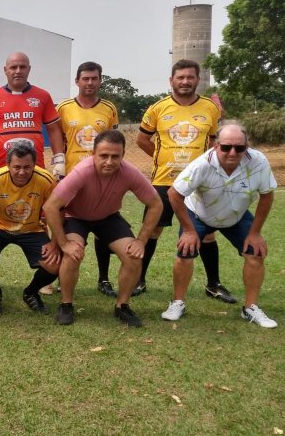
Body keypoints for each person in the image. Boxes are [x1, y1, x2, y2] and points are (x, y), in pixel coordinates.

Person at [162, 123, 278, 328]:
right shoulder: (202, 164)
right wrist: (189, 230)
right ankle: (178, 302)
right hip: (199, 214)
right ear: (216, 145)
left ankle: (250, 307)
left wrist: (256, 233)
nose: (232, 152)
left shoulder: (258, 161)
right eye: (226, 147)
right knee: (185, 252)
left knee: (256, 253)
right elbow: (174, 194)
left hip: (236, 215)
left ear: (247, 147)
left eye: (239, 148)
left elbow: (267, 196)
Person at [43, 130, 163, 327]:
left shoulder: (130, 173)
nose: (109, 161)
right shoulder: (81, 172)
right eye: (103, 156)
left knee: (133, 256)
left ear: (123, 155)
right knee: (73, 254)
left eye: (115, 156)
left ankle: (122, 305)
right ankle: (66, 304)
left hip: (108, 217)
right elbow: (51, 206)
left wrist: (141, 240)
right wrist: (63, 243)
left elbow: (156, 204)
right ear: (93, 154)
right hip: (76, 217)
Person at [135, 60, 229, 301]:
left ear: (197, 80)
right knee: (152, 230)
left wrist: (201, 166)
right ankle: (138, 279)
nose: (185, 81)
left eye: (190, 77)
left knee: (206, 234)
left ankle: (213, 284)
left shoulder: (210, 108)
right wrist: (160, 157)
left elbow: (213, 142)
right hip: (164, 181)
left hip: (200, 185)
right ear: (171, 81)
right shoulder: (157, 108)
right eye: (180, 77)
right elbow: (142, 140)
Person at [56, 61, 119, 297]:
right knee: (68, 226)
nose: (90, 83)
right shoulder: (63, 108)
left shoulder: (109, 108)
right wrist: (59, 166)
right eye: (85, 78)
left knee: (103, 226)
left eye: (94, 78)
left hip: (102, 178)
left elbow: (114, 140)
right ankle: (64, 279)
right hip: (72, 179)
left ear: (100, 80)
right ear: (77, 81)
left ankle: (103, 278)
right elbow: (57, 139)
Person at [0, 142, 61, 315]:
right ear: (8, 165)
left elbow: (58, 210)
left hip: (32, 229)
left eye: (27, 167)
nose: (22, 172)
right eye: (16, 167)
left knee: (55, 264)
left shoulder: (46, 180)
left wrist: (54, 242)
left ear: (34, 165)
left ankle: (31, 292)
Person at [0, 51, 65, 175]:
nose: (18, 71)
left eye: (23, 67)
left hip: (35, 168)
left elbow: (53, 130)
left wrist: (59, 161)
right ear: (5, 70)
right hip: (0, 168)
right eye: (13, 67)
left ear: (29, 69)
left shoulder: (43, 96)